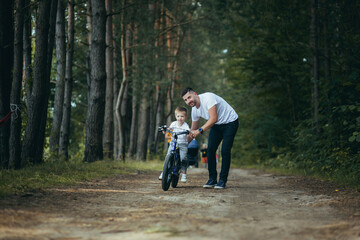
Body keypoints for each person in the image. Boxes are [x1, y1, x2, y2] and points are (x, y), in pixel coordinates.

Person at [181, 87, 239, 189]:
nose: (188, 101)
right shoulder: (194, 111)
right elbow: (192, 131)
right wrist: (183, 145)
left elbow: (213, 118)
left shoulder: (208, 97)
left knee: (225, 150)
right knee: (210, 150)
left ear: (195, 94)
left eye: (189, 97)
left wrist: (199, 131)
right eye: (185, 100)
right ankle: (212, 179)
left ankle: (222, 180)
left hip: (230, 122)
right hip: (217, 125)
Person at [159, 106, 190, 183]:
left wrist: (189, 133)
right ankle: (164, 172)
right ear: (176, 116)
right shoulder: (173, 124)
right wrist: (165, 131)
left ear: (185, 117)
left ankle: (184, 174)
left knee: (183, 158)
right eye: (178, 116)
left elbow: (189, 132)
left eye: (182, 116)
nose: (180, 118)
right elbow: (169, 130)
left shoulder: (185, 125)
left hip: (183, 144)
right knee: (168, 155)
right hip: (174, 142)